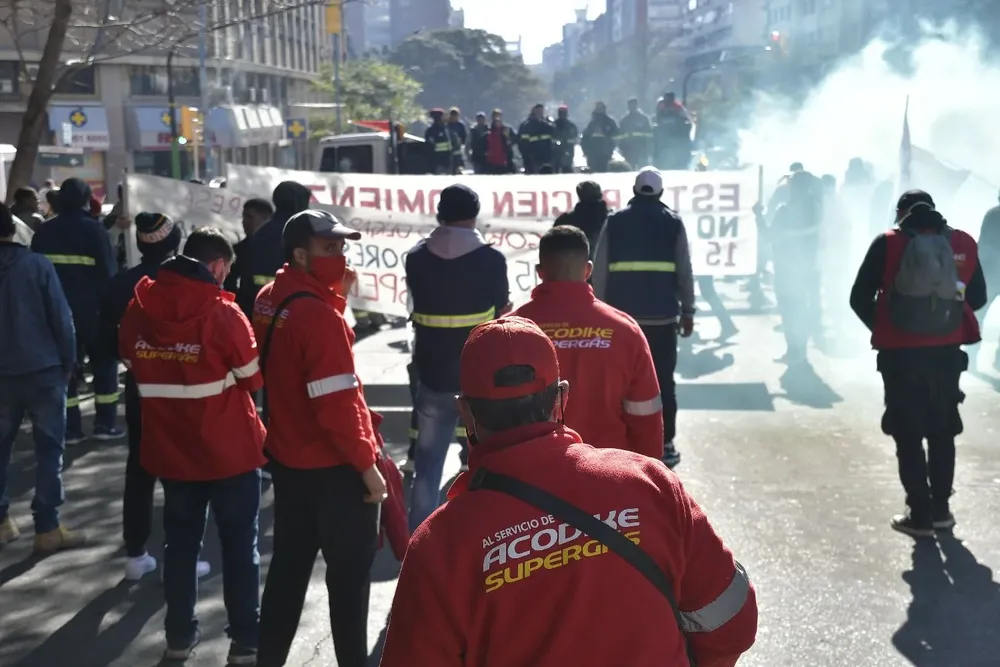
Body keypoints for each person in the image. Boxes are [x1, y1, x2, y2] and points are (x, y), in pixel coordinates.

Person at [379, 316, 758, 667]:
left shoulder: (439, 545)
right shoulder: (650, 482)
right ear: (562, 399)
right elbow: (731, 616)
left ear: (466, 413)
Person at [119, 227, 265, 663]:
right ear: (218, 266)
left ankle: (178, 639)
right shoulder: (224, 314)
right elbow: (253, 379)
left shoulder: (138, 309)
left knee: (179, 548)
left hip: (170, 451)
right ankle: (245, 641)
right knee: (241, 549)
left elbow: (131, 362)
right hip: (231, 453)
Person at [252, 209, 385, 667]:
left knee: (287, 575)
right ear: (300, 254)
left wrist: (337, 301)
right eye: (330, 248)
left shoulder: (272, 297)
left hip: (289, 463)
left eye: (343, 246)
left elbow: (299, 360)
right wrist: (369, 471)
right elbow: (336, 404)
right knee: (349, 586)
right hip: (334, 471)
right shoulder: (318, 316)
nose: (341, 256)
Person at [849, 190, 986, 537]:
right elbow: (979, 296)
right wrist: (946, 315)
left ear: (901, 213)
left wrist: (887, 327)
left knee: (907, 433)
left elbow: (858, 297)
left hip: (900, 356)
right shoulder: (963, 243)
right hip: (947, 355)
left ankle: (919, 513)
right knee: (943, 430)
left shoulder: (888, 242)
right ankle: (942, 509)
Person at [99, 212, 211, 581]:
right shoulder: (192, 285)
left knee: (140, 469)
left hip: (140, 387)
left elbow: (107, 343)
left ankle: (136, 552)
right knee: (183, 471)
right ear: (174, 243)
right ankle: (186, 554)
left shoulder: (120, 286)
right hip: (185, 389)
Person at [405, 184, 511, 531]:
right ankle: (484, 536)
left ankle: (417, 540)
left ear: (440, 213)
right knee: (485, 464)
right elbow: (501, 314)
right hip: (478, 380)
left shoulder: (416, 258)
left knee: (427, 466)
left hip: (432, 375)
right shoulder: (492, 260)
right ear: (475, 214)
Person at [512, 226, 663, 457]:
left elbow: (486, 417)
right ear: (588, 269)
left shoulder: (509, 331)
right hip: (608, 475)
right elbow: (646, 416)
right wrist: (649, 477)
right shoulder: (624, 330)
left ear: (540, 271)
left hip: (528, 477)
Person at [591, 167, 695, 469]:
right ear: (660, 193)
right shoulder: (673, 222)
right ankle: (665, 443)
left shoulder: (615, 221)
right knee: (663, 382)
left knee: (619, 382)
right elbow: (684, 270)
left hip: (622, 320)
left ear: (635, 191)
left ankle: (622, 442)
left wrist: (596, 309)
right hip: (662, 319)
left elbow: (599, 270)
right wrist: (688, 310)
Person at [0, 202, 85, 553]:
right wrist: (69, 362)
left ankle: (2, 523)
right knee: (50, 450)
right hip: (43, 371)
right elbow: (62, 320)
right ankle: (47, 527)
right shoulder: (37, 266)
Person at [31, 177, 121, 444]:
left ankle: (70, 429)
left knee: (65, 370)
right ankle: (105, 424)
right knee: (104, 366)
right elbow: (109, 274)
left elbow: (35, 276)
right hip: (93, 313)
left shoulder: (43, 232)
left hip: (55, 314)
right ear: (85, 200)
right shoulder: (95, 231)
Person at [233, 181, 312, 320]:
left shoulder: (261, 233)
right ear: (297, 203)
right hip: (290, 310)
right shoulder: (297, 234)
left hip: (256, 309)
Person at [770, 169, 823, 363]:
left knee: (789, 310)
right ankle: (798, 351)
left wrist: (758, 216)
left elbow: (770, 236)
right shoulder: (815, 207)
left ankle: (795, 350)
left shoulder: (785, 210)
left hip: (787, 268)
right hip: (805, 267)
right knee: (799, 308)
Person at [970, 190, 1000, 371]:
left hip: (989, 273)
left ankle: (971, 357)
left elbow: (982, 246)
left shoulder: (992, 214)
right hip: (991, 271)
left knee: (979, 314)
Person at [224, 197, 275, 296]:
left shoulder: (278, 249)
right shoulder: (238, 250)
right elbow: (229, 283)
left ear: (266, 219)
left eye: (249, 217)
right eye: (244, 216)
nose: (244, 221)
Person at [552, 180, 609, 256]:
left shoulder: (565, 220)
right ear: (600, 195)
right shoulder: (612, 219)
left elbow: (553, 247)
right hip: (606, 264)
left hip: (574, 264)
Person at [653, 92, 692, 171]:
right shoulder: (661, 107)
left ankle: (682, 163)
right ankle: (658, 161)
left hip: (677, 136)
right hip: (664, 137)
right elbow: (657, 120)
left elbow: (686, 119)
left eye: (667, 99)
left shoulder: (678, 107)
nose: (666, 101)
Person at [517, 104, 555, 174]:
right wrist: (528, 156)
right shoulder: (527, 126)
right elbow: (523, 143)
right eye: (538, 111)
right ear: (534, 111)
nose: (540, 113)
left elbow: (553, 138)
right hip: (532, 159)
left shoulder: (547, 126)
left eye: (542, 111)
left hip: (546, 159)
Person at [581, 101, 618, 173]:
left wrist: (611, 147)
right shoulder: (592, 123)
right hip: (593, 152)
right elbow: (586, 137)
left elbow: (615, 134)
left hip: (605, 152)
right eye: (598, 108)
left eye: (601, 108)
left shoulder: (609, 122)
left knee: (604, 170)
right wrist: (586, 151)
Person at [618, 97, 653, 168]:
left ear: (637, 105)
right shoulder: (624, 120)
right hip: (628, 149)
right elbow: (620, 136)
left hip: (641, 149)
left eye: (633, 105)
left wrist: (648, 148)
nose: (631, 107)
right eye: (630, 105)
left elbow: (650, 134)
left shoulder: (643, 118)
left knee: (643, 168)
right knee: (630, 168)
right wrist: (622, 148)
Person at [482, 109, 516, 174]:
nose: (497, 118)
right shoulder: (487, 131)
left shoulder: (507, 129)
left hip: (504, 161)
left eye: (498, 116)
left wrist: (507, 137)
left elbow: (514, 140)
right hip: (490, 162)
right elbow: (483, 145)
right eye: (495, 116)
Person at [424, 108, 454, 175]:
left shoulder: (445, 128)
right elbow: (429, 147)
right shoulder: (431, 131)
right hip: (437, 163)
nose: (445, 118)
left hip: (448, 161)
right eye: (443, 116)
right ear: (438, 118)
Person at [552, 105, 579, 174]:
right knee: (556, 167)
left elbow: (575, 137)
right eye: (561, 113)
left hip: (568, 149)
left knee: (567, 168)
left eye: (564, 113)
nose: (562, 115)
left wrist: (568, 140)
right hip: (556, 150)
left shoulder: (571, 125)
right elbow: (551, 136)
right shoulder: (554, 125)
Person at [447, 107, 468, 172]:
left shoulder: (460, 125)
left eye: (455, 115)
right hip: (447, 149)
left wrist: (462, 144)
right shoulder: (446, 124)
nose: (453, 117)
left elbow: (464, 136)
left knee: (457, 163)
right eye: (452, 115)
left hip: (457, 148)